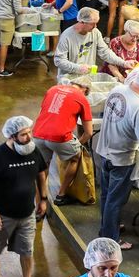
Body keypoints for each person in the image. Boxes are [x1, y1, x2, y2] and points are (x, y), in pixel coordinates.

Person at [96, 65, 139, 246]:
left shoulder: (117, 90)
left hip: (104, 151)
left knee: (106, 195)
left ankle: (107, 227)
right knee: (115, 200)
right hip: (121, 159)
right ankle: (111, 240)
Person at [0, 116, 48, 277]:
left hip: (27, 213)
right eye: (23, 134)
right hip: (3, 215)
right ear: (12, 136)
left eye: (29, 132)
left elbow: (41, 173)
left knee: (27, 250)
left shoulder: (34, 151)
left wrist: (43, 199)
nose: (29, 136)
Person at [33, 76, 95, 206]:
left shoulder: (52, 89)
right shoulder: (82, 98)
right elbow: (88, 132)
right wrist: (77, 145)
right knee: (75, 158)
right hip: (60, 137)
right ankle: (61, 195)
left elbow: (43, 111)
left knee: (43, 167)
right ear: (84, 89)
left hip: (38, 133)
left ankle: (40, 201)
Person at [53, 7, 111, 81]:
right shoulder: (67, 36)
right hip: (68, 79)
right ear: (82, 22)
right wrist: (78, 68)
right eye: (92, 24)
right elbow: (59, 60)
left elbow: (105, 52)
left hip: (86, 78)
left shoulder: (95, 32)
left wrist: (123, 63)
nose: (95, 26)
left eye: (96, 23)